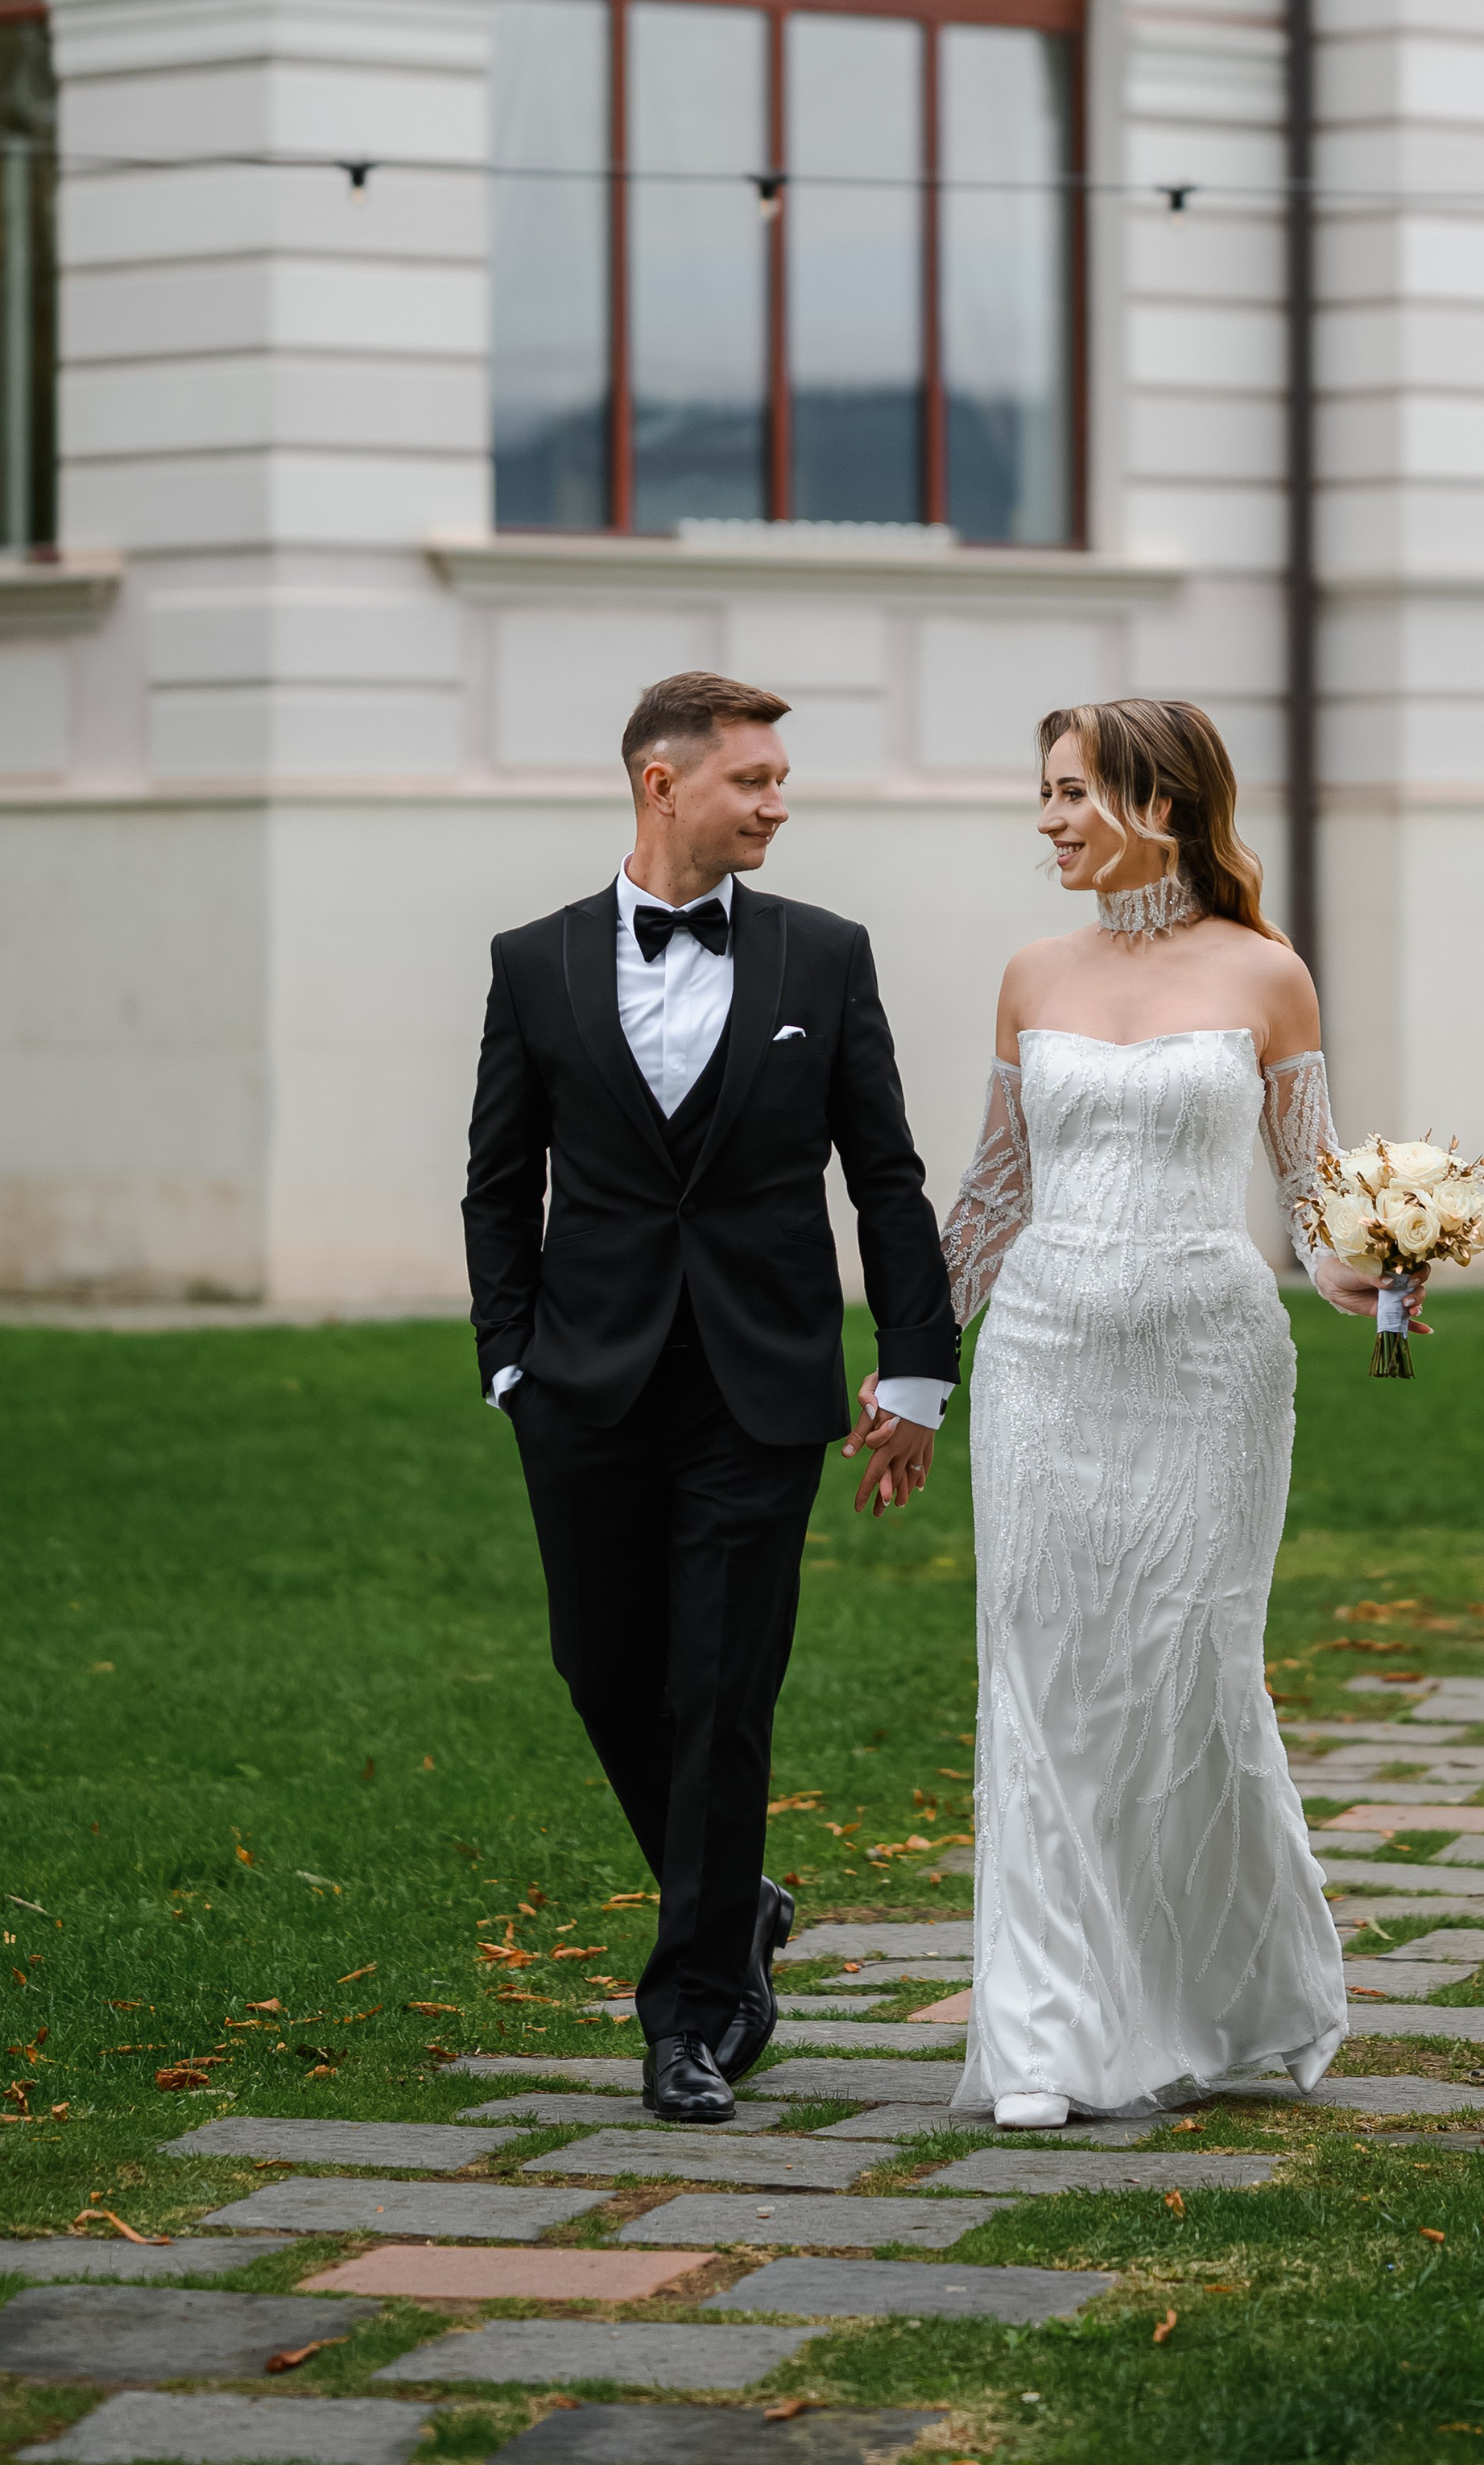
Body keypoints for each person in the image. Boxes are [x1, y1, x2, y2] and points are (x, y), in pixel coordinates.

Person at [906, 697, 1417, 2129]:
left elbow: (1317, 1202)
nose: (1051, 821)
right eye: (1047, 792)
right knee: (1045, 1675)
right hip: (1046, 1354)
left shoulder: (1268, 976)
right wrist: (915, 1376)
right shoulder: (1029, 974)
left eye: (1074, 794)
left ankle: (1219, 1997)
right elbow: (996, 1192)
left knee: (1192, 1672)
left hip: (1210, 1364)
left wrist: (1380, 1280)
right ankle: (1047, 2040)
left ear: (1164, 802)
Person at [463, 672, 957, 2123]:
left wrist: (916, 1368)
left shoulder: (824, 957)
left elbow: (887, 1176)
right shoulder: (535, 961)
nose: (780, 802)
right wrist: (510, 1363)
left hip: (761, 1388)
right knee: (601, 1672)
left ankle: (690, 2013)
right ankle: (734, 1900)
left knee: (721, 1691)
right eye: (755, 779)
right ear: (662, 783)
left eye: (783, 778)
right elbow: (501, 1181)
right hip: (586, 1386)